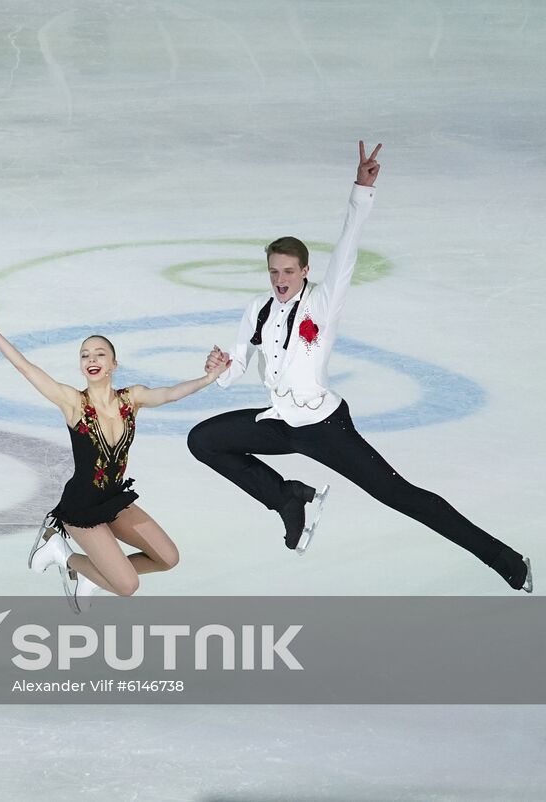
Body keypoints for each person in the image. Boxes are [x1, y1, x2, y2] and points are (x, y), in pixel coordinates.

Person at [186, 142, 532, 593]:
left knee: (402, 496)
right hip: (277, 422)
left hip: (325, 428)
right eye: (274, 272)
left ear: (305, 270)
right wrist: (219, 368)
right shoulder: (258, 308)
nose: (280, 280)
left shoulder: (322, 303)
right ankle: (287, 497)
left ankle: (507, 561)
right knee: (204, 440)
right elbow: (235, 371)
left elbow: (347, 248)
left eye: (288, 271)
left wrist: (361, 191)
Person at [0, 300, 224, 610]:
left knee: (167, 558)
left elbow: (171, 393)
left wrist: (208, 379)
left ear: (114, 364)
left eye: (99, 354)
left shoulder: (131, 399)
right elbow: (26, 368)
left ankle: (93, 576)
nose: (91, 359)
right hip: (82, 507)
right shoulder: (73, 403)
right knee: (127, 585)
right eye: (85, 355)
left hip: (114, 499)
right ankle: (62, 552)